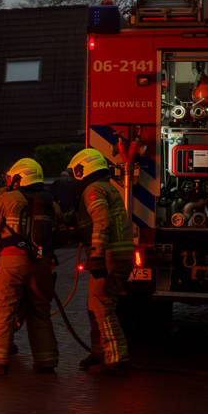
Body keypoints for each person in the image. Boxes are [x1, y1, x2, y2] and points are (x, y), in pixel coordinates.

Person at [0, 157, 59, 375]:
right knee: (40, 313)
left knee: (3, 310)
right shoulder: (50, 205)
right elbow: (60, 231)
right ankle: (46, 362)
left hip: (12, 261)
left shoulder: (6, 199)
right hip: (43, 265)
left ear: (20, 178)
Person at [69, 147, 136, 374]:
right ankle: (99, 352)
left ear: (82, 169)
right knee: (94, 305)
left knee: (102, 306)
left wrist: (96, 254)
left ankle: (116, 357)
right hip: (118, 253)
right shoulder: (106, 187)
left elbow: (102, 220)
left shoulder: (93, 189)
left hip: (109, 255)